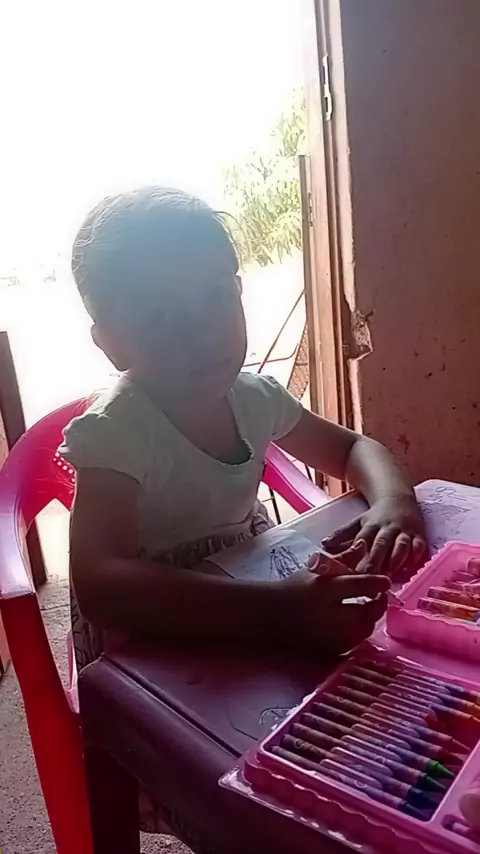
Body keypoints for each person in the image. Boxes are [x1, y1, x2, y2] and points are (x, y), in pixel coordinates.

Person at [60, 186, 425, 848]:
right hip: (153, 626)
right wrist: (276, 612)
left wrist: (394, 500)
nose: (202, 333)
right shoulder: (116, 432)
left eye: (216, 298)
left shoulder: (253, 397)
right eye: (161, 317)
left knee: (333, 699)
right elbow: (102, 583)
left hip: (249, 584)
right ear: (111, 344)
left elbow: (352, 448)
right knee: (214, 769)